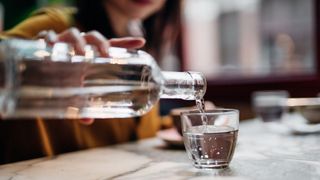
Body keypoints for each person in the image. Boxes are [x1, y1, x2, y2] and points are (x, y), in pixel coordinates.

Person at [0, 0, 183, 164]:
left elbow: (131, 131)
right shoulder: (57, 29)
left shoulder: (139, 45)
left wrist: (177, 122)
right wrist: (25, 63)